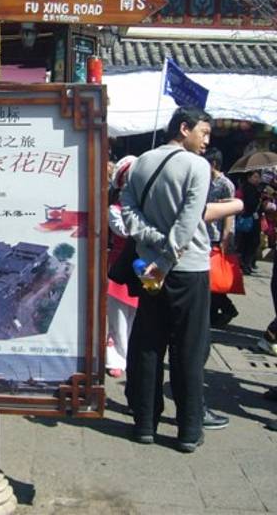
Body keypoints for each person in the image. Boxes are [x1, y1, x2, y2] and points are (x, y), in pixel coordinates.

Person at [121, 106, 213, 453]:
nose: (206, 141)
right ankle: (189, 429)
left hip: (147, 268)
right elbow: (188, 223)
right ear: (184, 128)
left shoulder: (141, 161)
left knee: (148, 344)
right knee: (188, 348)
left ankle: (144, 422)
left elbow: (127, 210)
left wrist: (154, 246)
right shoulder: (197, 166)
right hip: (187, 269)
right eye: (204, 132)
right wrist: (167, 255)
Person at [106, 155, 138, 378]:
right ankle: (116, 357)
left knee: (136, 314)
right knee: (118, 317)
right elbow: (126, 232)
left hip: (141, 266)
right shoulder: (115, 209)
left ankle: (130, 356)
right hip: (119, 267)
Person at [204, 147, 239, 328]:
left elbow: (230, 213)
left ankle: (227, 308)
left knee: (213, 278)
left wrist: (226, 237)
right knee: (207, 278)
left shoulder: (226, 184)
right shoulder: (204, 181)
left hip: (216, 236)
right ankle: (213, 314)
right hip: (203, 234)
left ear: (214, 164)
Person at [237, 170, 262, 274]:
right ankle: (245, 264)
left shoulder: (255, 189)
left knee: (250, 242)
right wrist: (260, 199)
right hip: (250, 218)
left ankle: (247, 264)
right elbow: (251, 204)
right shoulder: (249, 189)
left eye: (258, 177)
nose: (257, 179)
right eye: (255, 177)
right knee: (250, 242)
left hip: (251, 218)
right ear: (249, 177)